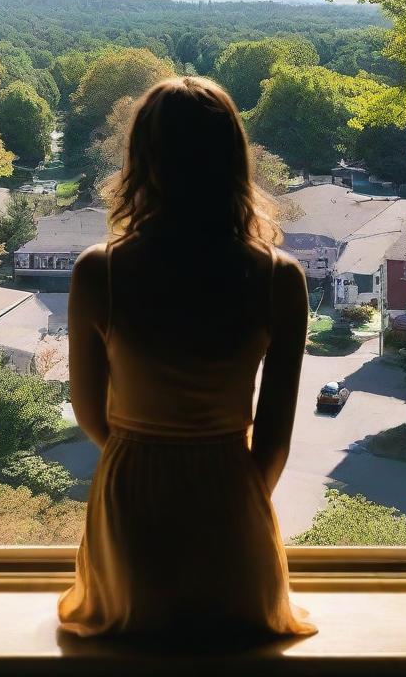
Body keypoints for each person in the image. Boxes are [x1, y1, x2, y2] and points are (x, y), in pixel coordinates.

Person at [58, 76, 317, 641]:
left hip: (131, 500)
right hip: (231, 493)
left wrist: (148, 458)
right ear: (232, 160)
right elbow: (274, 438)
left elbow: (89, 414)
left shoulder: (99, 272)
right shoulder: (279, 278)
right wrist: (226, 496)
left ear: (141, 161)